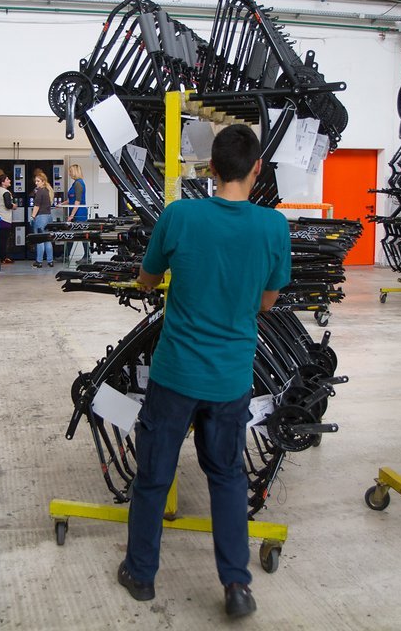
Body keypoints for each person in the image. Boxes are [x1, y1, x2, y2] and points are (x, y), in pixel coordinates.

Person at [119, 124, 291, 619]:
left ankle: (141, 574)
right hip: (231, 379)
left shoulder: (179, 215)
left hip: (175, 375)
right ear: (257, 169)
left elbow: (147, 278)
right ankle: (236, 584)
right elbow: (268, 300)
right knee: (228, 477)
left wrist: (160, 281)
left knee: (154, 476)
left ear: (210, 169)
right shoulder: (272, 228)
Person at [65, 163, 91, 266]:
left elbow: (77, 201)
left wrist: (71, 215)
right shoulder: (75, 183)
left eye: (70, 171)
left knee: (82, 235)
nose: (70, 173)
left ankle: (87, 256)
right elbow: (70, 199)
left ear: (75, 172)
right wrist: (61, 204)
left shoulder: (79, 183)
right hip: (76, 212)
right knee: (71, 235)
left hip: (79, 214)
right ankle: (66, 255)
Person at [0, 172, 15, 264]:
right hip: (5, 219)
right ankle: (4, 258)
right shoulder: (5, 192)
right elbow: (8, 205)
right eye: (7, 179)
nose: (10, 181)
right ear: (3, 182)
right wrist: (14, 205)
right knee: (4, 240)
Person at [30, 173, 54, 268]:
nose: (36, 183)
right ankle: (50, 261)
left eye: (38, 181)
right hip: (48, 217)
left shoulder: (40, 191)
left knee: (40, 240)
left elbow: (37, 205)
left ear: (43, 181)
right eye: (35, 181)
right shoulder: (48, 190)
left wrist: (32, 216)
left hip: (40, 217)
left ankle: (39, 261)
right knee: (48, 240)